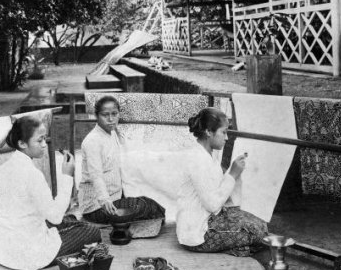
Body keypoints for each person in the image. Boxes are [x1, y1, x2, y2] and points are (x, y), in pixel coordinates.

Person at [0, 116, 101, 270]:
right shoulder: (32, 174)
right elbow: (55, 218)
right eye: (39, 140)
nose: (44, 145)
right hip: (29, 254)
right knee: (92, 231)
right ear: (22, 143)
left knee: (69, 221)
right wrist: (67, 176)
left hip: (4, 248)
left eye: (45, 139)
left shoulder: (3, 169)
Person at [176, 107, 267, 256]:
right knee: (257, 232)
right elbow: (212, 204)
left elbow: (217, 190)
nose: (226, 138)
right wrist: (232, 175)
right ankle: (237, 249)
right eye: (223, 132)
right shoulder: (197, 159)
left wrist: (234, 172)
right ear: (208, 132)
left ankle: (238, 249)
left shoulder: (208, 154)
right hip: (196, 232)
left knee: (262, 226)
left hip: (211, 219)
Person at [80, 95, 165, 224]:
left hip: (115, 196)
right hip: (96, 207)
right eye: (105, 115)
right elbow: (95, 175)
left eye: (114, 114)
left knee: (151, 203)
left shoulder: (112, 132)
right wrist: (104, 200)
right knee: (143, 206)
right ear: (96, 116)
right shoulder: (92, 141)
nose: (111, 119)